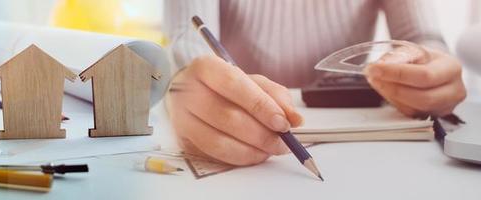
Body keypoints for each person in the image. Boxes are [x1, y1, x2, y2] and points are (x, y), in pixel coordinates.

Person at [163, 0, 466, 166]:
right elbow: (187, 42)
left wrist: (431, 65)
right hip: (240, 131)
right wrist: (191, 82)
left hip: (358, 142)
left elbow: (423, 37)